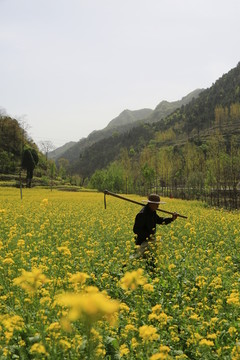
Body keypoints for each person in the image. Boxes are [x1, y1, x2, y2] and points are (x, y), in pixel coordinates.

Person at [133, 194, 178, 259]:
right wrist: (149, 236)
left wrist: (172, 219)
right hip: (142, 242)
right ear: (151, 204)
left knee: (151, 259)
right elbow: (136, 230)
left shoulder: (152, 212)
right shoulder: (142, 215)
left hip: (150, 241)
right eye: (157, 204)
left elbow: (160, 220)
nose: (158, 206)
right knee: (136, 259)